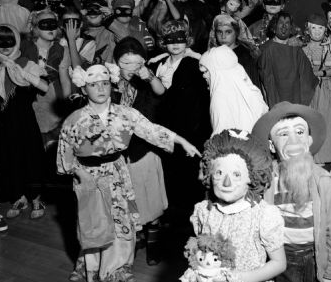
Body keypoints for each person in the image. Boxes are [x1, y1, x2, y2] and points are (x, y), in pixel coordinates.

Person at [57, 63, 199, 282]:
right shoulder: (74, 120)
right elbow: (64, 155)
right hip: (87, 175)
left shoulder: (126, 114)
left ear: (111, 85)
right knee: (91, 220)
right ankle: (88, 265)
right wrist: (77, 172)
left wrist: (183, 142)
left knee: (120, 219)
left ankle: (118, 267)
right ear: (84, 89)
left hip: (117, 172)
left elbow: (153, 130)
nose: (101, 89)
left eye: (105, 84)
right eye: (94, 85)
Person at [252, 102, 331, 282]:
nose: (293, 141)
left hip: (316, 261)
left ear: (310, 140)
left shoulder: (323, 180)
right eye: (283, 134)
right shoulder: (266, 181)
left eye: (300, 132)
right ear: (272, 145)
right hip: (280, 262)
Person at [191, 129, 290, 282]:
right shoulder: (203, 211)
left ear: (251, 178)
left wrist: (240, 279)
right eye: (219, 173)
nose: (226, 181)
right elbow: (198, 253)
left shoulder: (263, 214)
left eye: (236, 174)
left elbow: (279, 263)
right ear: (209, 173)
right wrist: (195, 274)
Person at [112, 37, 168, 265]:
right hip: (119, 153)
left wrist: (150, 76)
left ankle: (154, 245)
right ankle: (135, 241)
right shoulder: (109, 81)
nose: (130, 69)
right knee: (128, 202)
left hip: (143, 151)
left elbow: (161, 91)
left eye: (136, 64)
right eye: (125, 63)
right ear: (116, 62)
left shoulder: (146, 80)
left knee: (151, 201)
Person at [149, 20, 211, 211]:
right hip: (164, 124)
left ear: (188, 40)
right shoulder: (159, 64)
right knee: (168, 175)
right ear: (163, 42)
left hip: (188, 126)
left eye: (180, 39)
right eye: (170, 39)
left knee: (188, 176)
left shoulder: (195, 63)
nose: (175, 43)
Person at [0, 25, 48, 221]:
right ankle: (19, 196)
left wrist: (22, 73)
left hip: (24, 121)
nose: (6, 46)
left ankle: (36, 198)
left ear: (16, 41)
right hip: (1, 122)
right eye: (0, 42)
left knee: (30, 156)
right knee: (8, 157)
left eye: (10, 41)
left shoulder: (26, 63)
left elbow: (45, 87)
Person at [302, 13, 331, 164]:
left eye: (321, 28)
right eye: (314, 28)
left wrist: (319, 73)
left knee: (326, 120)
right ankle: (310, 156)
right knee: (307, 120)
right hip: (307, 88)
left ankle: (326, 155)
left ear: (325, 30)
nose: (317, 32)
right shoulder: (302, 46)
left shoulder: (329, 46)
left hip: (323, 87)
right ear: (308, 29)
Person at [199, 45, 267, 135]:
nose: (204, 76)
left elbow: (221, 139)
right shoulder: (251, 89)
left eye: (206, 71)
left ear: (217, 72)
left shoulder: (220, 97)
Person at [259, 11, 318, 108]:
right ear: (274, 27)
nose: (284, 26)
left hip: (295, 99)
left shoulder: (296, 50)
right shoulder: (266, 49)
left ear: (291, 28)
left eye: (287, 23)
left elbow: (307, 77)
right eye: (281, 23)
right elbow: (266, 80)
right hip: (274, 100)